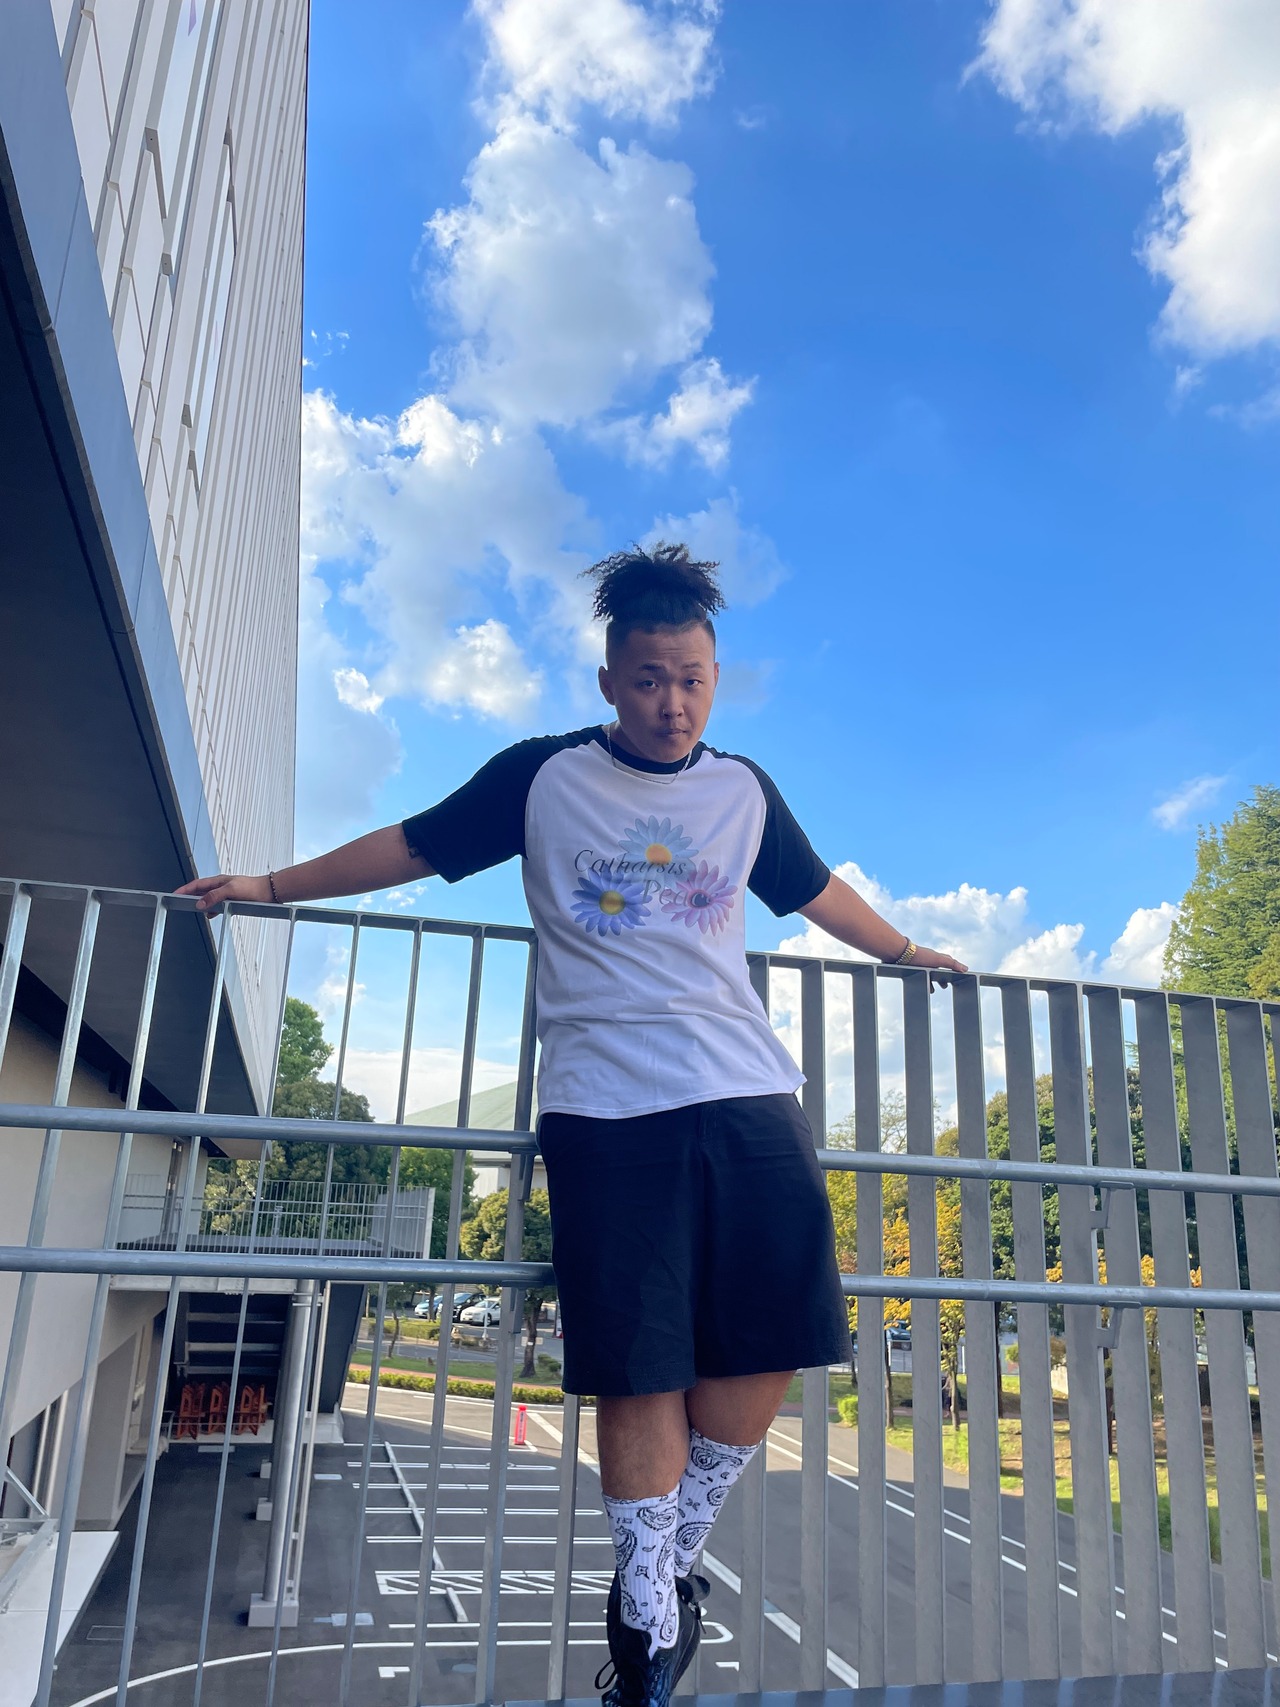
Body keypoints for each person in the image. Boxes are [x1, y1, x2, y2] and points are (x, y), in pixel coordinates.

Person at [178, 544, 967, 1703]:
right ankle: (645, 1618)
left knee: (769, 1340)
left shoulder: (742, 790)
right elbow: (411, 843)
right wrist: (266, 886)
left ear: (715, 677)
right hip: (606, 1105)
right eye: (647, 679)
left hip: (748, 1092)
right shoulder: (540, 776)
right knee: (639, 1361)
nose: (671, 703)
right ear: (608, 681)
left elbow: (810, 890)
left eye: (691, 679)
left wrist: (901, 949)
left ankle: (668, 1558)